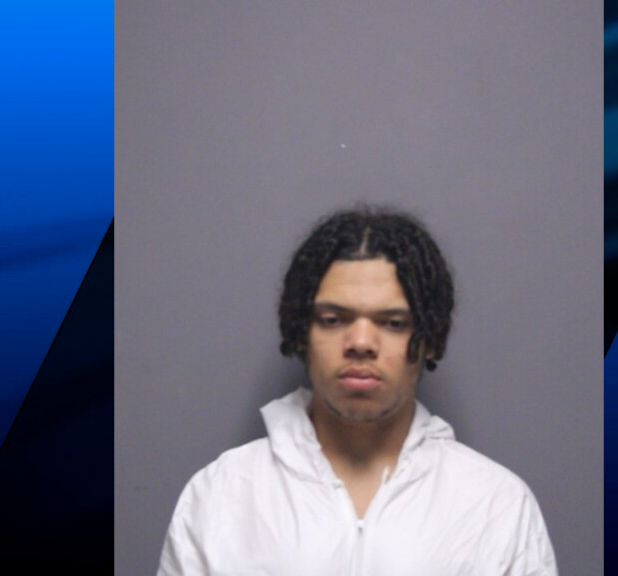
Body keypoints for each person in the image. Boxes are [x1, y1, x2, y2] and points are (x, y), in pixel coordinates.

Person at [158, 207, 557, 575]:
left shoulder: (497, 505)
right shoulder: (220, 495)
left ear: (430, 339)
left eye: (393, 323)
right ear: (300, 333)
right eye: (333, 319)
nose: (361, 342)